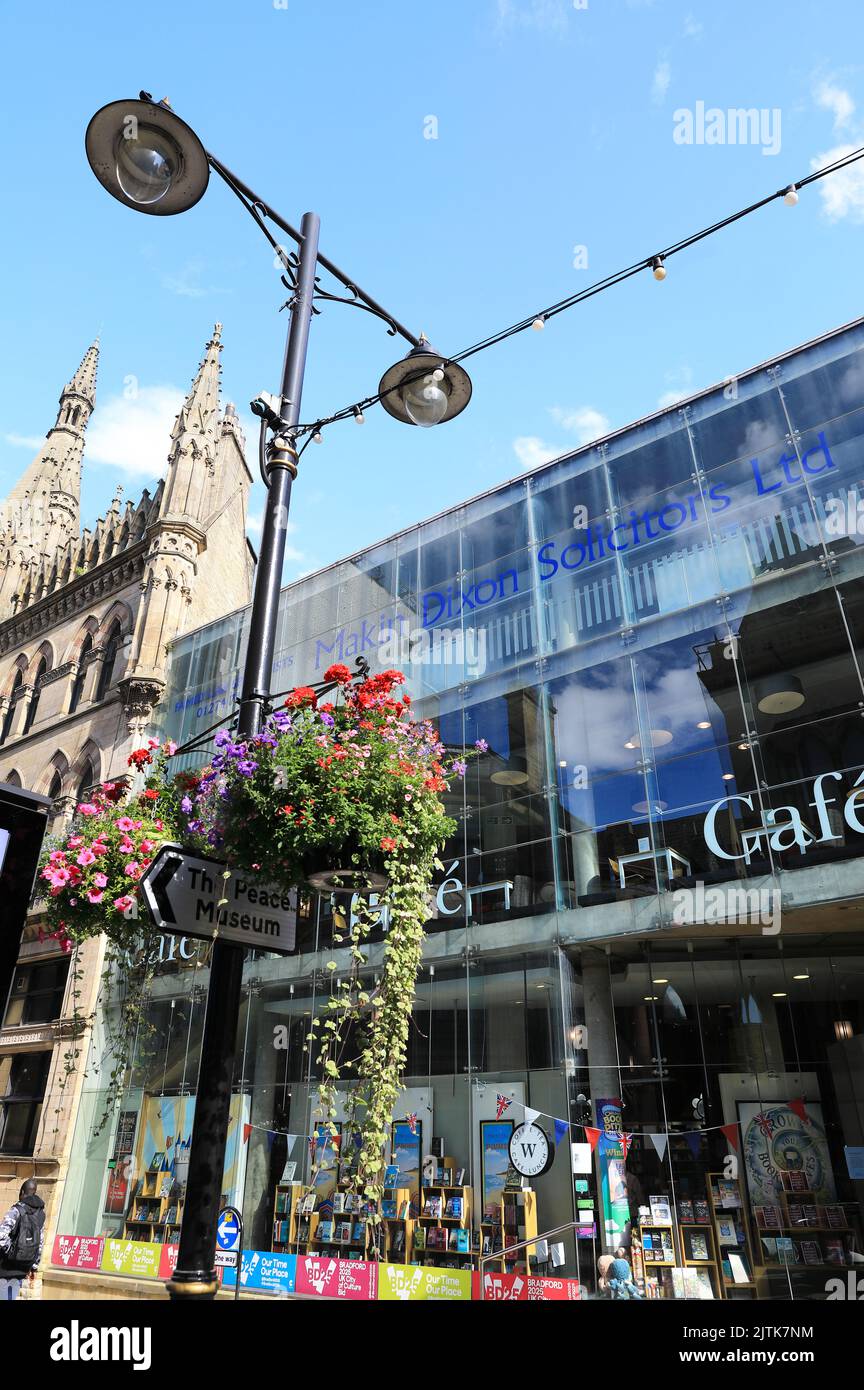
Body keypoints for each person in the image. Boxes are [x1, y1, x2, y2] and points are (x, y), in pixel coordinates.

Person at [0, 1178, 46, 1300]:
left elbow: (1, 1236)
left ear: (21, 1192)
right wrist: (34, 1266)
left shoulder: (16, 1210)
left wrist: (10, 1252)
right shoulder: (41, 1214)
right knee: (10, 1295)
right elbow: (40, 1243)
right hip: (23, 1267)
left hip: (5, 1266)